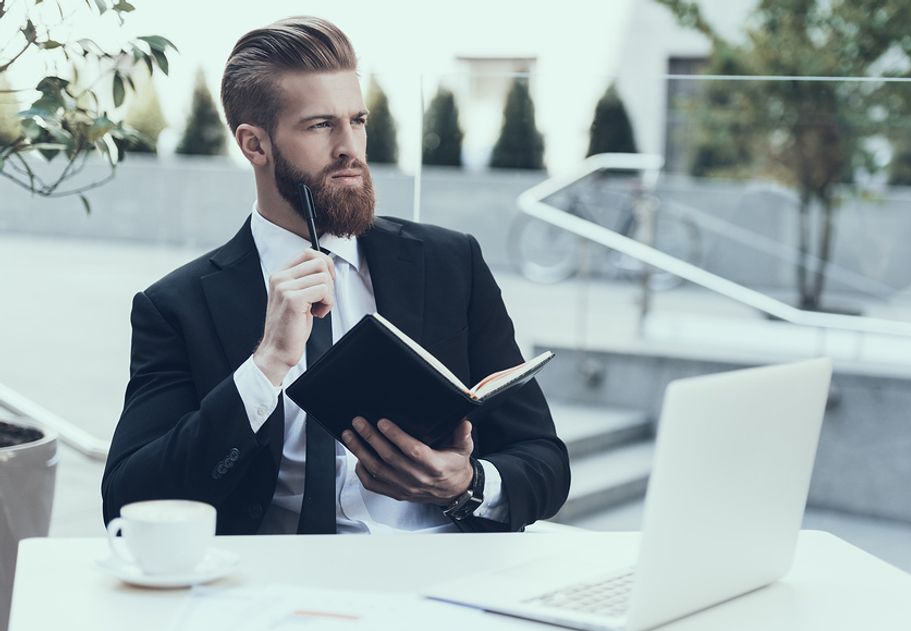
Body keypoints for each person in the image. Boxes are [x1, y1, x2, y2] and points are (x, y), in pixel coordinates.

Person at [102, 16, 570, 535]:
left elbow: (545, 461)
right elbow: (128, 500)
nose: (351, 147)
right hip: (277, 586)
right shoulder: (177, 306)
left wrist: (467, 484)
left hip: (439, 571)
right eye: (321, 125)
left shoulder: (450, 264)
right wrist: (266, 365)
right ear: (255, 145)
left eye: (358, 121)